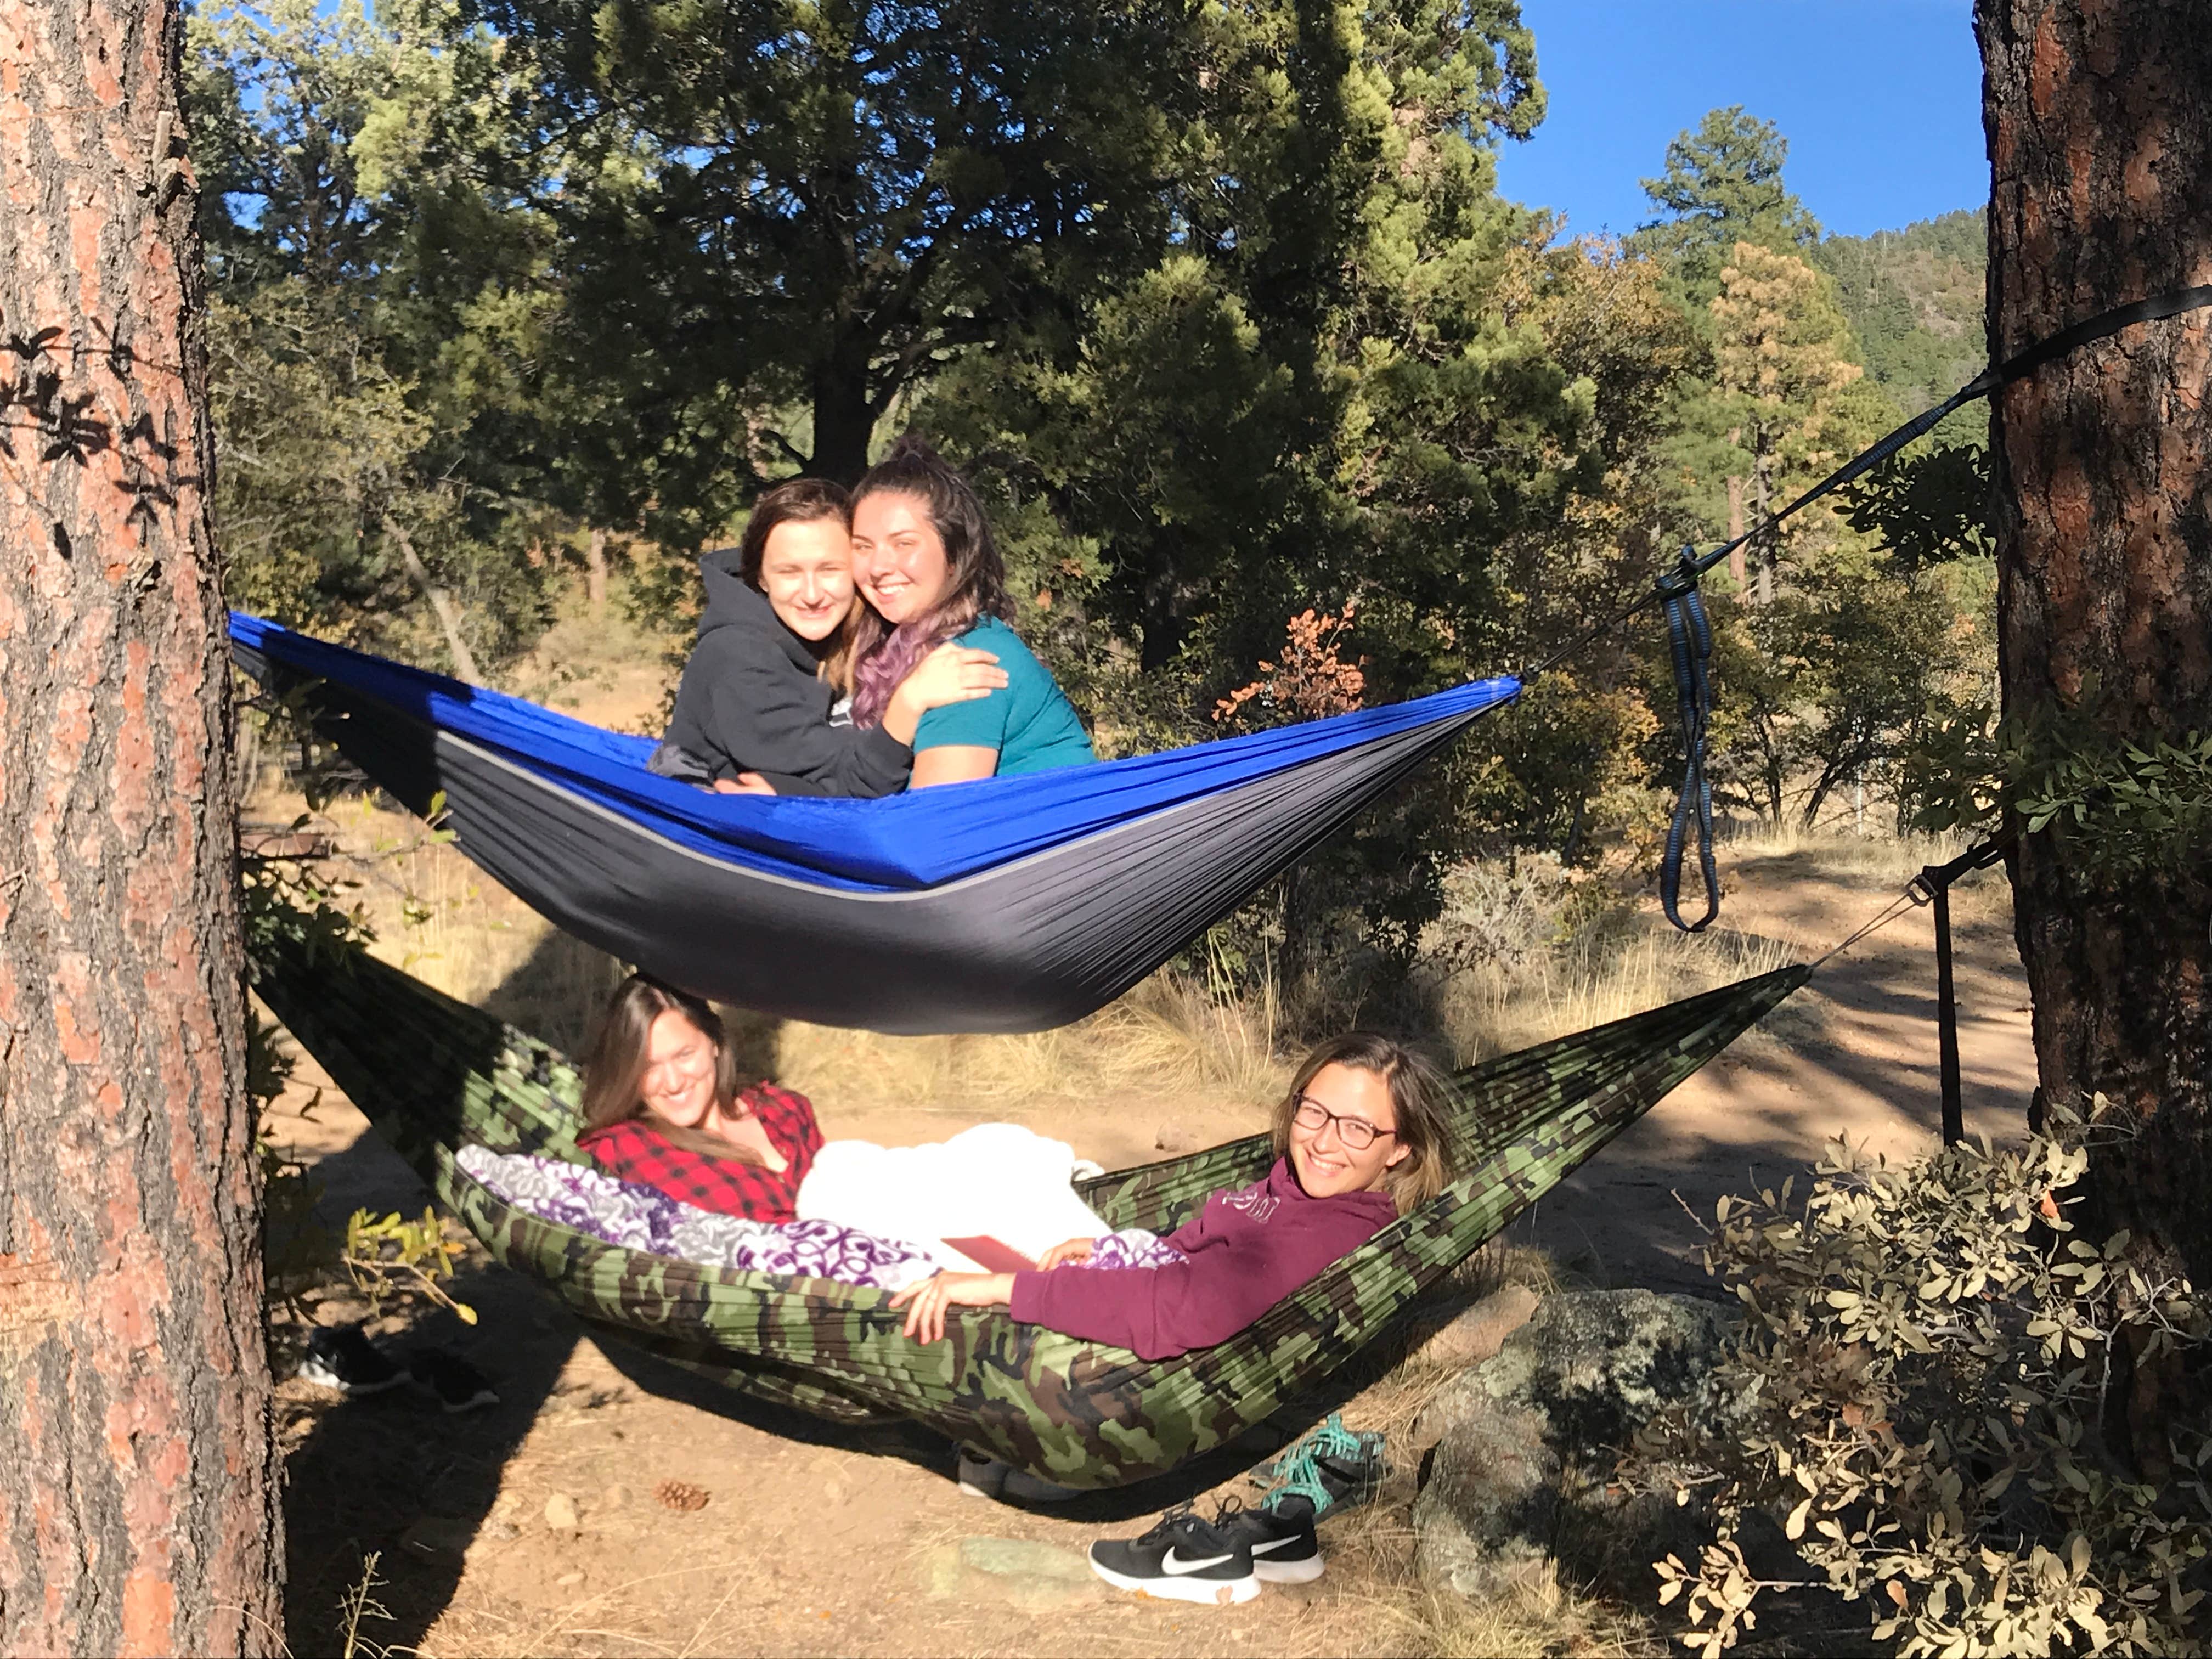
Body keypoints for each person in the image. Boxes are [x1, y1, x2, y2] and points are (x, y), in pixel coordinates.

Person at [889, 1031, 1457, 1360]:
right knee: (985, 1173)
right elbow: (1196, 1246)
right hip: (1130, 1267)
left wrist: (998, 1287)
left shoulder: (1331, 1233)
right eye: (1314, 1112)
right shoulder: (1295, 1181)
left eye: (1357, 1128)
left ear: (1399, 1149)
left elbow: (1178, 1305)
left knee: (943, 1213)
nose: (1324, 1142)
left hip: (1135, 1342)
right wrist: (1107, 1248)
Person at [650, 477, 1008, 795]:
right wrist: (909, 700)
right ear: (761, 577)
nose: (812, 594)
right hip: (712, 853)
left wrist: (787, 789)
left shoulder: (854, 636)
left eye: (830, 570)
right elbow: (854, 779)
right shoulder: (739, 657)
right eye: (790, 572)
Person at [848, 436, 1094, 786]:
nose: (878, 567)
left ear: (954, 557)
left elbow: (935, 828)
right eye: (863, 547)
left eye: (904, 544)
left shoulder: (966, 664)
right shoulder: (894, 653)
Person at [575, 974, 822, 1222]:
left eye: (684, 1055)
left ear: (714, 1042)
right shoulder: (622, 1150)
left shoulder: (786, 1109)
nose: (673, 1083)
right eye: (648, 1067)